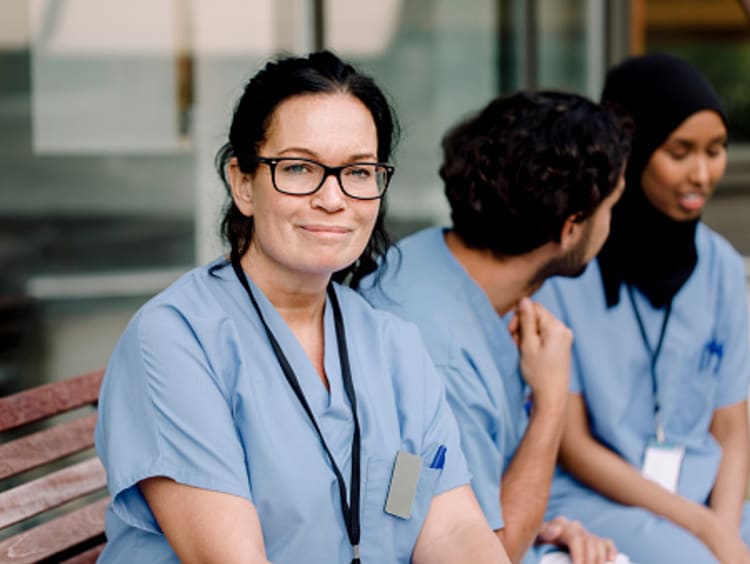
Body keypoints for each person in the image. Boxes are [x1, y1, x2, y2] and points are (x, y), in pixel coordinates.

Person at [94, 51, 509, 564]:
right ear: (242, 182)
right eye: (298, 167)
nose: (334, 198)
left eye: (358, 172)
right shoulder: (177, 340)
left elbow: (452, 531)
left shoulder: (392, 344)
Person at [360, 91, 632, 564]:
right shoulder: (438, 357)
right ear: (569, 228)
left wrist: (543, 531)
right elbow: (490, 551)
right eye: (611, 208)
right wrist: (551, 404)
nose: (612, 226)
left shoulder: (425, 258)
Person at [535, 53, 750, 563]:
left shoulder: (719, 263)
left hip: (707, 496)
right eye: (680, 151)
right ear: (631, 153)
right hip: (602, 499)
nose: (702, 173)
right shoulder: (569, 265)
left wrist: (722, 527)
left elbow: (732, 428)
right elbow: (574, 443)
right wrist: (710, 535)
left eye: (716, 150)